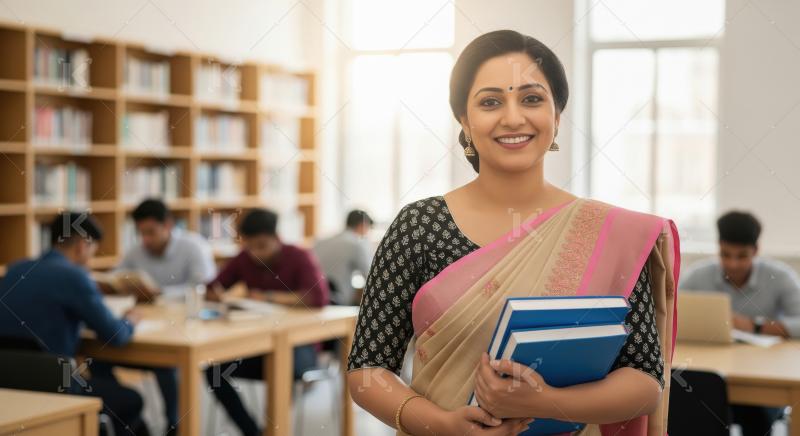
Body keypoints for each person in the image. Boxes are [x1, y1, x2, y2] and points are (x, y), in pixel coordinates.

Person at [346, 30, 680, 436]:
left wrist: (543, 403)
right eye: (490, 102)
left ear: (556, 117)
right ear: (465, 121)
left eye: (532, 98)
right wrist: (441, 425)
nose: (513, 117)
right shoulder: (419, 226)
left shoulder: (611, 234)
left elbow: (646, 380)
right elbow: (367, 368)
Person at [0, 212, 149, 436]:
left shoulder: (14, 270)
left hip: (9, 379)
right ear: (82, 245)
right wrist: (130, 320)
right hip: (55, 384)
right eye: (92, 250)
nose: (90, 258)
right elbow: (115, 336)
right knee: (131, 400)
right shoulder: (74, 277)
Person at [204, 208, 330, 436]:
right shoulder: (244, 259)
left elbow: (317, 297)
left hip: (298, 348)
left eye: (261, 246)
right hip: (259, 346)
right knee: (214, 372)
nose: (255, 254)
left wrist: (267, 297)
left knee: (281, 363)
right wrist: (220, 295)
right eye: (249, 246)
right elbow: (212, 287)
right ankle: (253, 432)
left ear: (277, 238)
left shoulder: (299, 256)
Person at [101, 198, 216, 434]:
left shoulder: (193, 247)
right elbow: (116, 277)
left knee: (166, 365)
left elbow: (203, 288)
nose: (146, 239)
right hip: (146, 326)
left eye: (151, 232)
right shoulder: (136, 251)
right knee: (100, 358)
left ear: (168, 225)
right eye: (141, 233)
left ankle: (174, 425)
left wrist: (161, 293)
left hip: (183, 328)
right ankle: (133, 425)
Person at [680, 211, 799, 435]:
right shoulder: (697, 276)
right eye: (725, 254)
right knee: (687, 407)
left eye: (742, 256)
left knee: (757, 419)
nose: (732, 264)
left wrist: (754, 326)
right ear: (718, 247)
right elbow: (672, 317)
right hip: (708, 372)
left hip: (762, 377)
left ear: (756, 251)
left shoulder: (780, 277)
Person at [313, 209, 374, 305]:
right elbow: (371, 277)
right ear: (363, 225)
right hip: (339, 303)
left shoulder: (320, 241)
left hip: (315, 299)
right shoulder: (357, 244)